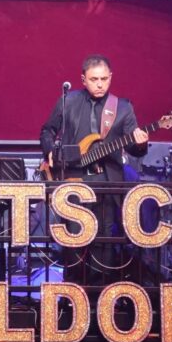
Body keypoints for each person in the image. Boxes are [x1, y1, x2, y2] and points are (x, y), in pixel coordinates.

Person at [39, 55, 149, 283]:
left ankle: (101, 292)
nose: (100, 84)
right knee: (74, 239)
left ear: (111, 77)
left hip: (106, 182)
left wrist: (140, 143)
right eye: (94, 79)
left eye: (104, 79)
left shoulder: (122, 107)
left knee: (104, 240)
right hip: (72, 179)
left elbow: (134, 149)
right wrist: (50, 151)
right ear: (83, 79)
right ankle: (73, 291)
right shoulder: (68, 101)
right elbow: (47, 130)